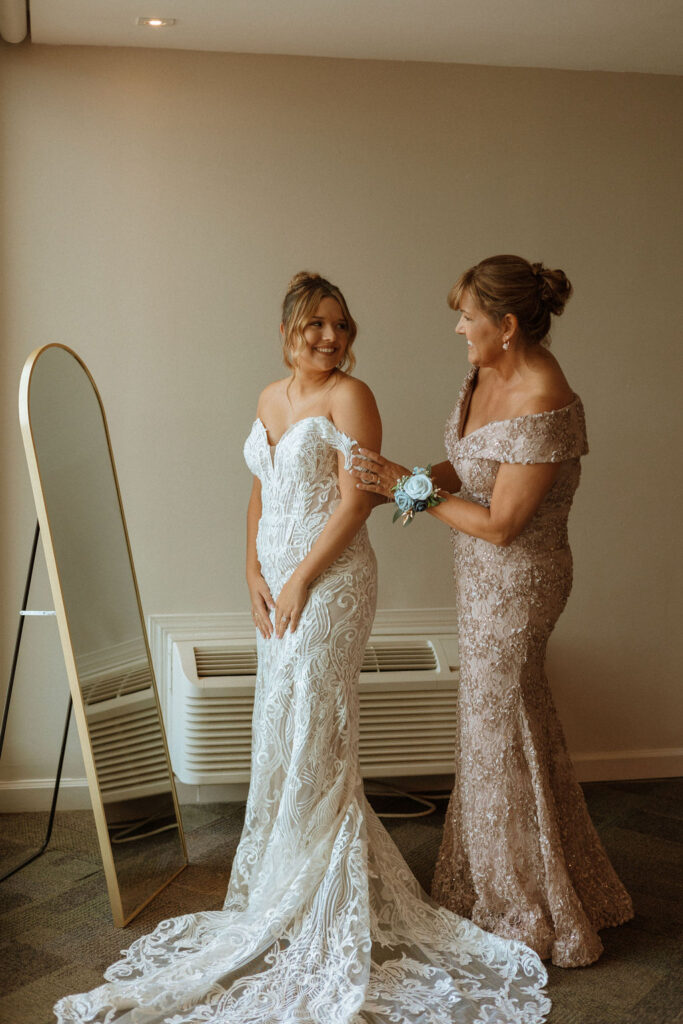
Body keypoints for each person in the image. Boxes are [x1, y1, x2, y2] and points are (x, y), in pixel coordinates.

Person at [54, 271, 551, 1023]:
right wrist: (252, 571)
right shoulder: (267, 398)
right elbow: (258, 489)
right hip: (277, 583)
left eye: (342, 326)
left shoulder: (352, 397)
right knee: (279, 730)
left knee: (316, 731)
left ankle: (318, 893)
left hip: (332, 585)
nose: (331, 338)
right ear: (289, 327)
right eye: (317, 325)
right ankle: (280, 882)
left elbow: (358, 499)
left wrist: (300, 582)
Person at [353, 255, 634, 968]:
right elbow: (474, 464)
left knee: (497, 727)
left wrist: (406, 491)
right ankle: (528, 879)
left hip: (519, 581)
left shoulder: (543, 394)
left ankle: (522, 906)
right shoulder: (486, 370)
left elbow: (503, 522)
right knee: (505, 723)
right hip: (475, 573)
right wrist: (407, 480)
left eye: (468, 318)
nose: (458, 328)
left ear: (506, 327)